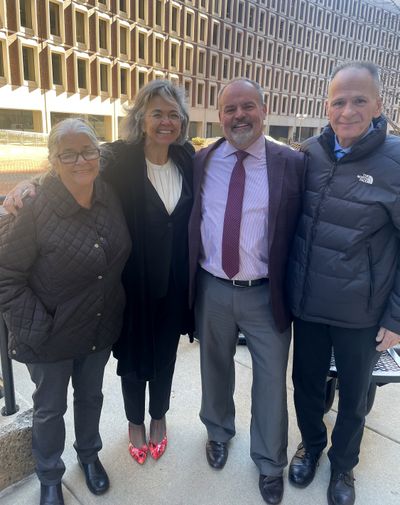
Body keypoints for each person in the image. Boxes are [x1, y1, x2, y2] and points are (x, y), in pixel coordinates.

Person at [4, 80, 194, 465]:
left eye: (173, 114)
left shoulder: (187, 158)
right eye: (157, 112)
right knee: (133, 360)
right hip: (131, 285)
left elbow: (80, 161)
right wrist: (26, 186)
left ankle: (157, 418)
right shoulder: (120, 158)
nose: (165, 121)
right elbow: (74, 161)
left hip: (172, 285)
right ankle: (134, 424)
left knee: (163, 358)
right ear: (141, 118)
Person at [0, 118, 131, 505]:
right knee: (50, 408)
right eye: (68, 154)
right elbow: (6, 275)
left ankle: (88, 456)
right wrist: (40, 327)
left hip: (97, 327)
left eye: (88, 151)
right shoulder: (34, 206)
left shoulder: (109, 194)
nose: (80, 161)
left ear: (99, 154)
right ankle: (50, 476)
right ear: (53, 160)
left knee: (91, 397)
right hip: (48, 336)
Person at [287, 62, 400, 505]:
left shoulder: (394, 163)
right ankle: (311, 446)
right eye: (339, 101)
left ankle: (343, 467)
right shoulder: (309, 153)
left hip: (362, 311)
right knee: (307, 386)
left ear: (377, 105)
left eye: (358, 100)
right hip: (309, 304)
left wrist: (395, 315)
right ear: (327, 105)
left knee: (355, 398)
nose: (347, 110)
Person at [188, 78, 305, 505]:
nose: (239, 115)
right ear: (219, 116)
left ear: (263, 109)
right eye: (230, 109)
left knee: (272, 380)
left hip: (265, 293)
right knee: (213, 367)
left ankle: (270, 461)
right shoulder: (202, 161)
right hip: (212, 287)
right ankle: (218, 432)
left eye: (247, 106)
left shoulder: (291, 163)